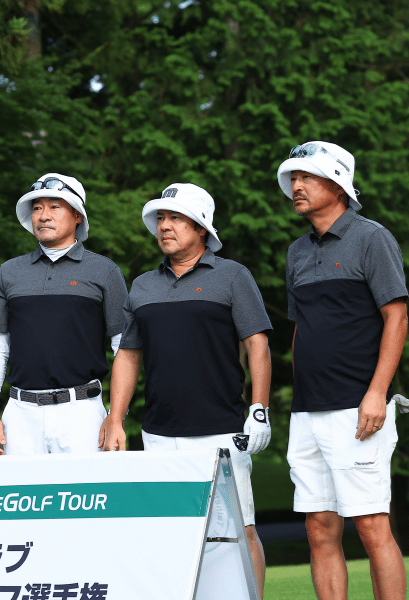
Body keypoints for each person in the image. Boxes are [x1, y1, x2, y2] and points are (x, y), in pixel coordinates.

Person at [103, 183, 272, 598]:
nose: (164, 226)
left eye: (176, 218)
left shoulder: (232, 275)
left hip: (222, 429)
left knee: (240, 529)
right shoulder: (143, 285)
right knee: (171, 531)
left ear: (201, 228)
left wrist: (259, 408)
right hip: (160, 433)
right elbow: (128, 355)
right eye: (161, 218)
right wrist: (115, 417)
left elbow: (257, 345)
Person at [278, 141, 408, 600]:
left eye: (306, 178)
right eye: (293, 178)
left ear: (337, 185)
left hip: (358, 406)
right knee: (318, 528)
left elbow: (396, 317)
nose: (296, 186)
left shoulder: (372, 237)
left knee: (372, 527)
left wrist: (377, 392)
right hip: (308, 409)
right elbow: (302, 328)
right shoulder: (296, 252)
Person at [0, 173, 128, 455]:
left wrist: (116, 415)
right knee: (18, 487)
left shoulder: (105, 270)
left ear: (77, 216)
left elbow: (123, 346)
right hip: (20, 416)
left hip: (83, 415)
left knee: (86, 486)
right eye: (37, 207)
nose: (43, 215)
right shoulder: (9, 271)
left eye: (55, 206)